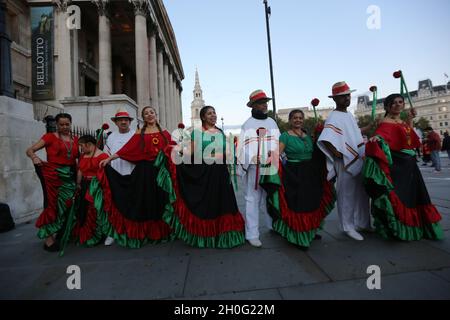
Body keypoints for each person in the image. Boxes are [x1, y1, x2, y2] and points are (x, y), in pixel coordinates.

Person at [363, 94, 443, 241]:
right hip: (398, 164)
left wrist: (410, 119)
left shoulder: (401, 121)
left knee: (415, 194)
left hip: (410, 163)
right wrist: (376, 138)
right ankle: (400, 228)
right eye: (393, 103)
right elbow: (382, 135)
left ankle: (418, 225)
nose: (398, 105)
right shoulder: (385, 122)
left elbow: (409, 139)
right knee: (401, 194)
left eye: (400, 102)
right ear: (387, 107)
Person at [168, 106, 245, 248]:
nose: (213, 115)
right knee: (208, 204)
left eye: (214, 113)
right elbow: (189, 153)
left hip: (221, 173)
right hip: (205, 172)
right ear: (203, 117)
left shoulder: (220, 132)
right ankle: (208, 235)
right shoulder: (197, 133)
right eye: (209, 113)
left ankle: (224, 234)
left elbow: (227, 151)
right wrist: (174, 151)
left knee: (224, 203)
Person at [99, 106, 175, 248]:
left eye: (151, 112)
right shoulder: (139, 133)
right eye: (146, 113)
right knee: (147, 200)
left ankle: (164, 231)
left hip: (162, 172)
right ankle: (148, 232)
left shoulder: (164, 132)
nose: (149, 115)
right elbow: (126, 150)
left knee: (162, 199)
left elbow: (173, 148)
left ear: (155, 114)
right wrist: (109, 159)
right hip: (145, 172)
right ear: (143, 117)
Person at [261, 110, 335, 249]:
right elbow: (279, 153)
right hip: (294, 173)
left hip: (310, 173)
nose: (298, 120)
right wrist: (271, 156)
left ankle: (311, 230)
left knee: (312, 202)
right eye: (295, 118)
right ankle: (299, 237)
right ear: (290, 120)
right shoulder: (285, 136)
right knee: (298, 205)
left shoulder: (308, 136)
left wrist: (320, 133)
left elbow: (317, 152)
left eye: (300, 118)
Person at [317, 82, 373, 241]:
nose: (347, 99)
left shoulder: (349, 115)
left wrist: (368, 127)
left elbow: (352, 133)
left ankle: (363, 222)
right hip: (344, 159)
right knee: (346, 193)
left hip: (357, 155)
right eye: (343, 97)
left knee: (363, 192)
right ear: (335, 99)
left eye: (348, 95)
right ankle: (348, 226)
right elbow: (326, 138)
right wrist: (336, 153)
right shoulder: (333, 116)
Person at [25, 113, 79, 252]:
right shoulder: (49, 137)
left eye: (67, 124)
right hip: (52, 175)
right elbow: (29, 150)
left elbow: (81, 157)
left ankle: (62, 231)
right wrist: (34, 157)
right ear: (56, 124)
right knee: (51, 205)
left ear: (70, 123)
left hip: (70, 176)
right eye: (61, 124)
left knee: (67, 204)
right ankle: (48, 239)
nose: (65, 127)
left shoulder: (76, 139)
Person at [237, 90, 280, 247]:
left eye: (265, 102)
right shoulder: (247, 125)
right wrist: (252, 158)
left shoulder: (272, 122)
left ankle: (273, 225)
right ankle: (252, 233)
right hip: (254, 168)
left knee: (272, 195)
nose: (264, 105)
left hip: (271, 166)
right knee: (252, 199)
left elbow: (278, 142)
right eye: (261, 102)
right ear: (253, 106)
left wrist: (275, 155)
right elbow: (242, 148)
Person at [65, 135, 109, 248]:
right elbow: (80, 170)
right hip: (84, 185)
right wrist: (78, 184)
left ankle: (96, 234)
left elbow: (106, 174)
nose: (81, 148)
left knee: (94, 210)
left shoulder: (103, 155)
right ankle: (86, 233)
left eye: (81, 146)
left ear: (89, 144)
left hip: (96, 186)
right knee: (83, 210)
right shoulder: (83, 156)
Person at [102, 109, 136, 246]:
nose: (123, 122)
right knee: (115, 204)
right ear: (116, 122)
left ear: (129, 122)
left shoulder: (135, 135)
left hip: (133, 173)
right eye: (120, 120)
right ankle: (114, 232)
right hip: (116, 175)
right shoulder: (111, 137)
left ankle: (132, 231)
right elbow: (106, 156)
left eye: (126, 120)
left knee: (132, 202)